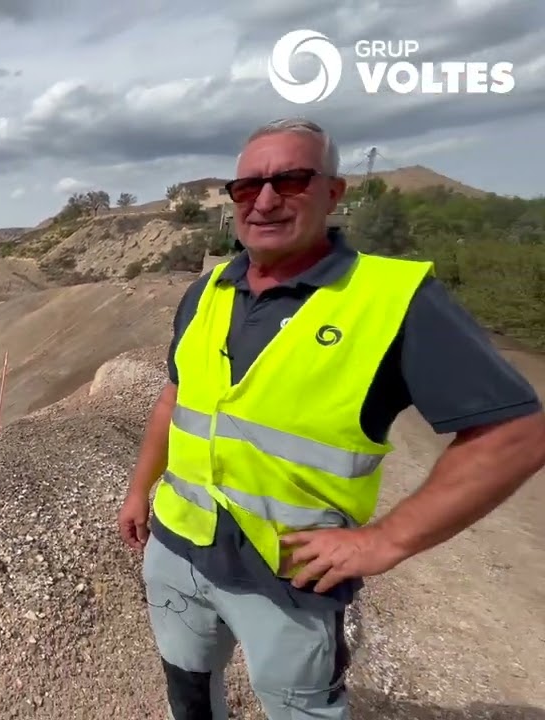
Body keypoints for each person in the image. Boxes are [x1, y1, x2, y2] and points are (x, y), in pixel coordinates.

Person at [117, 117, 545, 720]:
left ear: (333, 193)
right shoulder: (206, 291)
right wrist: (140, 490)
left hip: (289, 577)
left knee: (298, 708)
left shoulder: (391, 300)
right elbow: (175, 397)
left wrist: (385, 541)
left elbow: (516, 433)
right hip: (178, 549)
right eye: (247, 186)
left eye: (290, 181)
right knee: (187, 689)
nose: (264, 200)